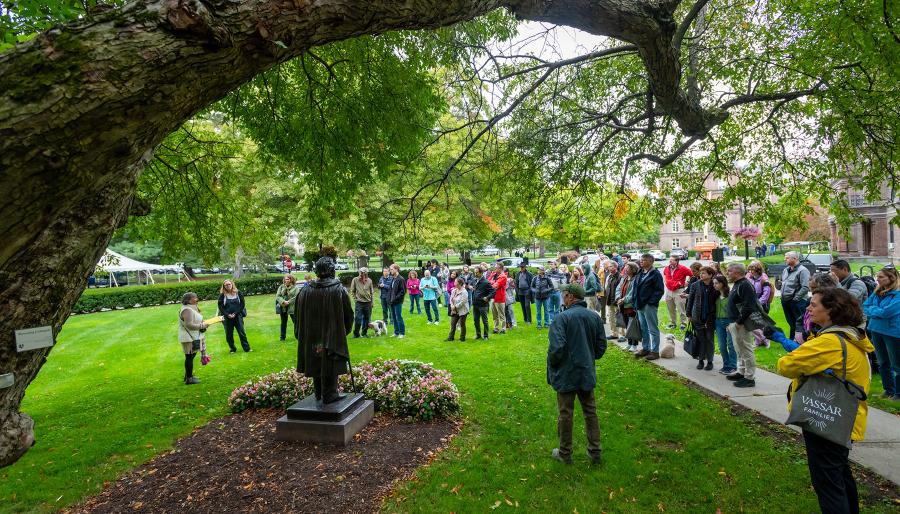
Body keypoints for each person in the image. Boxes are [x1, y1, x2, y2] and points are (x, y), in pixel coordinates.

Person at [772, 288, 873, 514]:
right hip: (845, 418)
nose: (808, 308)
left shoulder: (830, 341)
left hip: (827, 420)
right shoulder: (851, 334)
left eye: (814, 304)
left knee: (827, 483)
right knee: (839, 474)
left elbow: (786, 366)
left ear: (831, 310)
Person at [546, 283, 607, 465]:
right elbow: (601, 347)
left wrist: (554, 365)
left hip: (566, 373)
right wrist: (587, 357)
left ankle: (565, 453)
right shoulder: (594, 317)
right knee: (590, 412)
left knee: (566, 413)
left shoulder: (561, 318)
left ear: (571, 297)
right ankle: (595, 450)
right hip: (585, 371)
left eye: (564, 295)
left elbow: (556, 349)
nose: (562, 297)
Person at [294, 256, 354, 404]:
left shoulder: (305, 290)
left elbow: (297, 315)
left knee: (316, 358)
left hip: (312, 335)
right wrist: (343, 331)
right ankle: (330, 394)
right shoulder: (338, 289)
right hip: (331, 334)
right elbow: (348, 314)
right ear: (331, 270)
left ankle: (319, 392)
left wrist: (302, 333)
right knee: (330, 361)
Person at [862, 267, 900, 400]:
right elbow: (865, 306)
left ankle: (898, 394)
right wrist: (877, 310)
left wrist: (875, 311)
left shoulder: (898, 294)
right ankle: (888, 390)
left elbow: (887, 313)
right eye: (877, 277)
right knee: (883, 362)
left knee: (896, 364)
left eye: (881, 277)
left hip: (892, 333)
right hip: (876, 330)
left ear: (891, 278)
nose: (877, 279)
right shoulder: (877, 291)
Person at [725, 263, 760, 388]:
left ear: (737, 272)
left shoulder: (745, 285)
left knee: (746, 349)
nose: (727, 273)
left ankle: (749, 378)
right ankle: (741, 371)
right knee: (739, 349)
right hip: (734, 322)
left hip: (740, 324)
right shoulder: (737, 284)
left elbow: (749, 305)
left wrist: (739, 322)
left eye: (729, 271)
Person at [685, 266, 718, 370]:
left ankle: (710, 361)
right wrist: (688, 314)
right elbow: (690, 299)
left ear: (710, 275)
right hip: (697, 317)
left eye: (704, 273)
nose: (701, 275)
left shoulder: (715, 285)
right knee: (700, 339)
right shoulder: (695, 285)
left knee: (709, 339)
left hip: (710, 318)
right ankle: (700, 360)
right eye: (701, 273)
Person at [633, 254, 664, 360]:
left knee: (652, 329)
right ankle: (646, 348)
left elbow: (659, 290)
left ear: (651, 261)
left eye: (644, 260)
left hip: (649, 306)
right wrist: (635, 302)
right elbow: (635, 288)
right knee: (643, 328)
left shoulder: (655, 274)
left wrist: (651, 302)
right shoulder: (640, 273)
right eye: (641, 260)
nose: (641, 262)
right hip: (639, 305)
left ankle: (655, 352)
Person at [795, 273, 838, 344]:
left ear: (826, 286)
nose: (812, 291)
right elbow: (802, 318)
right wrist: (800, 332)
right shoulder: (811, 300)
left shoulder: (834, 302)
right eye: (810, 288)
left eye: (814, 288)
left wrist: (807, 335)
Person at [178, 292, 207, 385]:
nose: (197, 299)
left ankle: (187, 376)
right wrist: (203, 325)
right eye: (195, 298)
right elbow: (189, 325)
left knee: (191, 356)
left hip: (193, 336)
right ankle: (189, 379)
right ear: (189, 300)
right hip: (188, 338)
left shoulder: (190, 308)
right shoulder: (187, 310)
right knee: (189, 357)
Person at [781, 251, 811, 340]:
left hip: (797, 302)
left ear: (795, 258)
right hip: (785, 301)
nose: (784, 259)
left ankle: (800, 341)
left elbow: (805, 287)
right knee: (791, 323)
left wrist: (795, 299)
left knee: (799, 323)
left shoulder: (803, 270)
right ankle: (792, 340)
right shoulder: (785, 270)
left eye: (787, 258)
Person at [712, 275, 737, 374]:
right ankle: (726, 365)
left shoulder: (730, 296)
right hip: (718, 322)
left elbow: (736, 311)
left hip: (729, 322)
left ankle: (733, 366)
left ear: (722, 284)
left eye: (716, 283)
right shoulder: (715, 295)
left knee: (731, 345)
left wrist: (731, 323)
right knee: (722, 346)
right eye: (713, 283)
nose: (714, 285)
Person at [218, 279, 251, 353]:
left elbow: (242, 304)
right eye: (226, 285)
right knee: (229, 334)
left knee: (242, 332)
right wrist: (227, 314)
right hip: (227, 317)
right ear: (224, 286)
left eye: (229, 284)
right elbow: (220, 307)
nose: (228, 286)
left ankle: (247, 348)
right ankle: (232, 349)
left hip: (238, 316)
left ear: (232, 284)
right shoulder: (222, 295)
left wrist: (235, 313)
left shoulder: (238, 293)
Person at [747, 261, 773, 347]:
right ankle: (758, 340)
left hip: (762, 304)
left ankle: (766, 340)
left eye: (752, 269)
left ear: (758, 269)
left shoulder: (764, 279)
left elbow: (766, 294)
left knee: (762, 323)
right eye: (749, 269)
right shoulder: (749, 277)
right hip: (752, 303)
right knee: (754, 323)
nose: (751, 271)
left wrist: (758, 304)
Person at [663, 256, 692, 330]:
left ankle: (683, 323)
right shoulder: (666, 268)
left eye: (672, 260)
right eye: (670, 260)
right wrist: (665, 281)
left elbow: (692, 274)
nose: (670, 262)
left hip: (679, 290)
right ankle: (672, 323)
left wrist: (688, 282)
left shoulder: (683, 268)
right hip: (669, 290)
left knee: (681, 308)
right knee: (671, 308)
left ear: (677, 261)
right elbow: (664, 274)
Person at [616, 262, 640, 350]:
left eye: (628, 268)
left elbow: (633, 292)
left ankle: (634, 345)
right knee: (626, 324)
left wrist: (623, 300)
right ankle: (629, 343)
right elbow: (618, 288)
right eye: (625, 268)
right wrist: (618, 298)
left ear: (633, 269)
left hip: (630, 306)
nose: (625, 269)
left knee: (632, 325)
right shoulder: (624, 278)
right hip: (622, 305)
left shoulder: (635, 279)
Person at [349, 267, 375, 338]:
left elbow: (372, 292)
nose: (361, 274)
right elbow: (352, 291)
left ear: (366, 273)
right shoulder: (355, 280)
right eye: (360, 272)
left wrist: (372, 302)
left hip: (368, 303)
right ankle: (356, 334)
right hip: (359, 303)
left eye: (363, 272)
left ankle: (364, 333)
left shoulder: (369, 280)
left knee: (367, 319)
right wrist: (355, 299)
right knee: (358, 319)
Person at [472, 267, 495, 340]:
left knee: (484, 321)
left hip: (483, 305)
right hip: (475, 304)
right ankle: (478, 335)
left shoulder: (485, 282)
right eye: (475, 272)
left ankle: (486, 336)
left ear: (481, 273)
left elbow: (493, 291)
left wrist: (487, 297)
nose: (475, 274)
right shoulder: (475, 280)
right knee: (476, 320)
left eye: (477, 273)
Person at [275, 274, 300, 342]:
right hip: (283, 307)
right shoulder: (281, 287)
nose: (286, 280)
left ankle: (298, 336)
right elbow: (278, 296)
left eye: (288, 279)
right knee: (283, 323)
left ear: (291, 280)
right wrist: (283, 302)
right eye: (285, 279)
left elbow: (296, 297)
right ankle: (282, 338)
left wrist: (288, 302)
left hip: (292, 307)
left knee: (296, 323)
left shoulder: (295, 288)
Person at [447, 277, 470, 342]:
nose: (454, 282)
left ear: (459, 283)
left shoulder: (464, 292)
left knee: (462, 324)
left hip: (463, 310)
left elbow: (463, 302)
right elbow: (451, 299)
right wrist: (451, 305)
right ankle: (450, 338)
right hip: (454, 310)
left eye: (455, 282)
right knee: (453, 323)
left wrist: (455, 306)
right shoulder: (454, 290)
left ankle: (462, 338)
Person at [604, 261, 622, 340]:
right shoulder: (609, 276)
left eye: (610, 266)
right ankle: (614, 334)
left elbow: (620, 290)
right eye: (608, 266)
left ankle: (622, 335)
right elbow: (606, 287)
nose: (609, 268)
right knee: (611, 318)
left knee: (619, 318)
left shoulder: (620, 277)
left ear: (615, 267)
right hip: (609, 300)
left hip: (617, 301)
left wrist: (618, 299)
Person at [488, 263, 508, 334]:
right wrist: (492, 280)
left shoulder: (503, 276)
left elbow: (495, 286)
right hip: (493, 297)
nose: (495, 269)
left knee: (501, 315)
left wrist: (492, 283)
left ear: (500, 268)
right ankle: (496, 328)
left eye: (496, 268)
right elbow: (487, 282)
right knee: (494, 314)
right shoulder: (494, 274)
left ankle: (503, 329)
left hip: (499, 298)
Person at [388, 264, 407, 338]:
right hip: (392, 301)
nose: (390, 271)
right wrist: (389, 299)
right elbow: (391, 290)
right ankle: (396, 332)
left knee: (399, 317)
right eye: (390, 269)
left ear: (396, 269)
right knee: (394, 317)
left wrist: (395, 298)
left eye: (392, 269)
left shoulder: (401, 279)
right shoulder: (393, 278)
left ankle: (402, 333)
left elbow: (403, 291)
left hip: (398, 302)